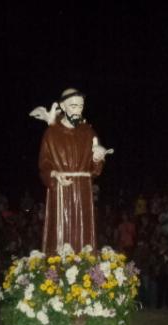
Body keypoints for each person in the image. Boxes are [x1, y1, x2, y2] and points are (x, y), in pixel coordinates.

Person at [36, 88, 111, 255]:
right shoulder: (51, 133)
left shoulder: (88, 132)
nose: (78, 110)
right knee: (61, 230)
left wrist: (98, 158)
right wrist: (54, 175)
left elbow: (95, 170)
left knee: (83, 231)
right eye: (73, 106)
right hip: (61, 190)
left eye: (81, 106)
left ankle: (84, 265)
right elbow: (44, 165)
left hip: (83, 190)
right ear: (63, 106)